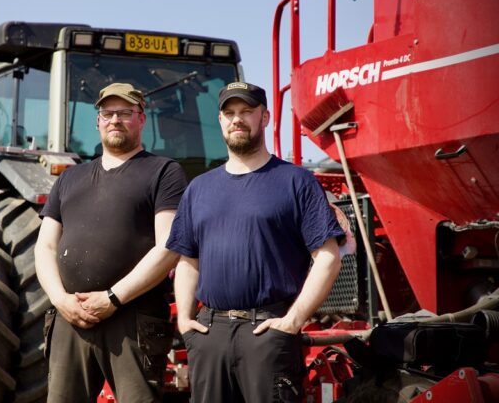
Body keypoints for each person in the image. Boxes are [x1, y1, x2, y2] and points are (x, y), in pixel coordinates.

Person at [166, 81, 344, 402]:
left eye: (246, 111)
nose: (237, 119)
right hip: (209, 334)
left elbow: (328, 257)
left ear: (265, 117)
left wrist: (293, 321)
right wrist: (185, 321)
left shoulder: (296, 182)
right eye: (229, 113)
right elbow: (188, 260)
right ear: (220, 120)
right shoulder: (199, 189)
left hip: (267, 333)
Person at [35, 82, 187, 402]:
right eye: (108, 113)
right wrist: (61, 300)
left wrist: (113, 298)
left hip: (133, 319)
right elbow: (45, 246)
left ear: (141, 119)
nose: (115, 120)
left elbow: (168, 246)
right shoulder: (69, 178)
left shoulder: (164, 172)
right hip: (69, 317)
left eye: (125, 113)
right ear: (98, 121)